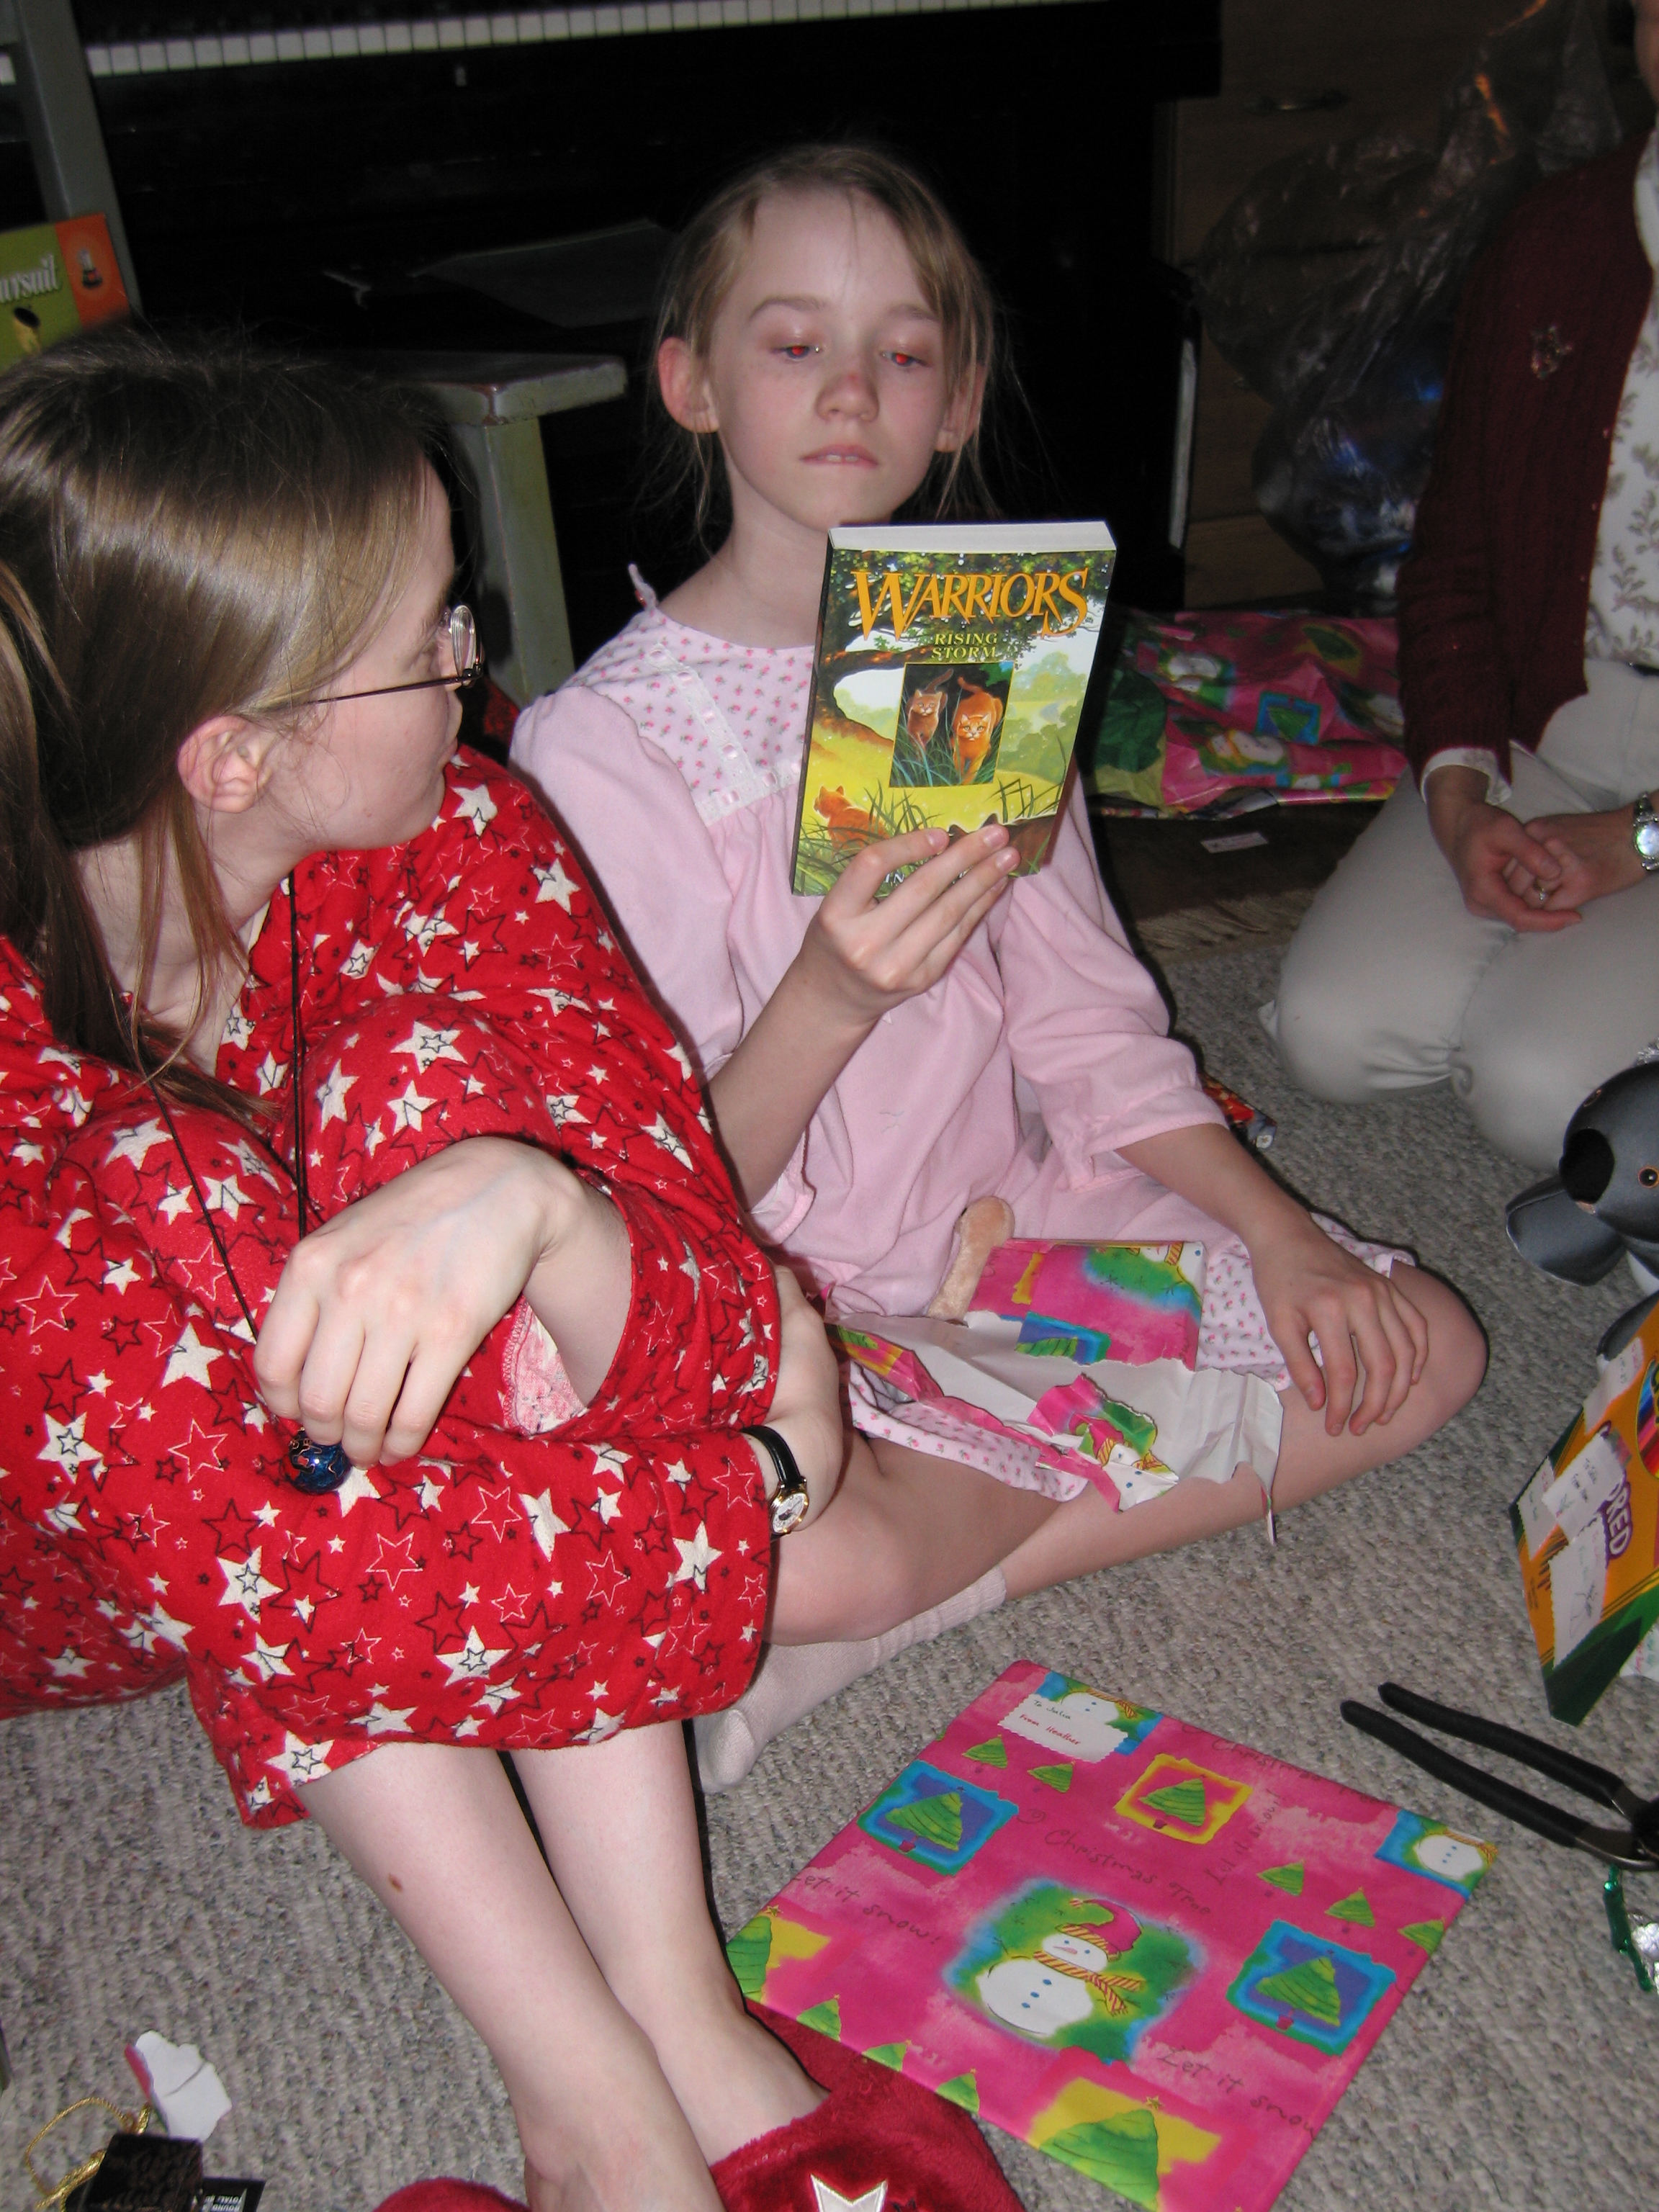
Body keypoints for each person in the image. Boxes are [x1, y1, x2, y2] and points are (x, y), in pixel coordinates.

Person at [0, 330, 1024, 2212]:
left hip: (353, 1500)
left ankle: (673, 2007)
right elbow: (341, 1597)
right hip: (96, 1579)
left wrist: (532, 1206)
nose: (478, 668)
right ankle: (588, 2108)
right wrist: (763, 1477)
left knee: (441, 1093)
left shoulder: (453, 826)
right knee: (176, 1183)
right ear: (237, 755)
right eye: (434, 643)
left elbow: (687, 1243)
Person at [509, 144, 1488, 1789]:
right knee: (788, 1527)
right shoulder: (605, 748)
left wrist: (1279, 1239)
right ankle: (890, 1558)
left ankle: (898, 1603)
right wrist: (834, 998)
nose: (851, 390)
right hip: (791, 1296)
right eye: (793, 343)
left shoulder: (976, 649)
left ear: (956, 402)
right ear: (690, 384)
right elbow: (661, 1190)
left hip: (1017, 1234)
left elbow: (1093, 1030)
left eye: (904, 353)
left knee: (1421, 1344)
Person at [1261, 9, 1659, 1175]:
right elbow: (1458, 557)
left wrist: (1640, 838)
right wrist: (1459, 790)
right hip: (1560, 718)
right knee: (1332, 1035)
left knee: (1544, 1095)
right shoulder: (1558, 234)